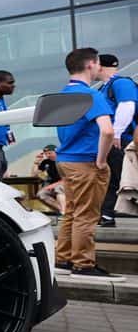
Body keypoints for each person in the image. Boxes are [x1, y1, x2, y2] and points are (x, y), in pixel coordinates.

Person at [55, 48, 123, 281]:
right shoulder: (91, 95)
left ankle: (63, 259)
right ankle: (83, 265)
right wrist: (102, 161)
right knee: (86, 214)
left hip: (66, 160)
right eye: (97, 64)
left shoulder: (63, 94)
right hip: (85, 162)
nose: (99, 68)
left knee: (72, 212)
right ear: (91, 65)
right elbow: (107, 130)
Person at [97, 54, 136, 227]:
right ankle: (106, 214)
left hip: (124, 141)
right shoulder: (103, 88)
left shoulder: (121, 83)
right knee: (112, 178)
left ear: (100, 66)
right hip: (112, 141)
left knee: (127, 178)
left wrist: (117, 132)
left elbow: (127, 105)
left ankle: (107, 214)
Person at [31, 144, 63, 214]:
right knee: (41, 194)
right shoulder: (46, 162)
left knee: (58, 189)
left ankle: (65, 212)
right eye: (46, 154)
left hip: (65, 184)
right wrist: (36, 162)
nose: (48, 155)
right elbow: (34, 174)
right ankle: (62, 211)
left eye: (50, 153)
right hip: (52, 185)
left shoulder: (63, 160)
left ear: (56, 152)